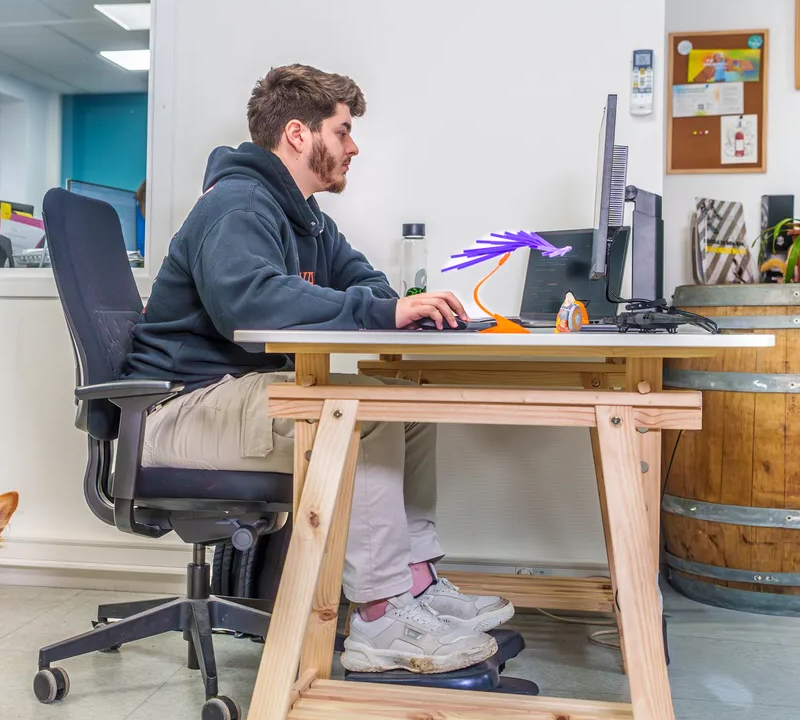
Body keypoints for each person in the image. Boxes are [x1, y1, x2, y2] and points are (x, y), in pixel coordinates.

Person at [124, 64, 514, 674]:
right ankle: (381, 620)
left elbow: (365, 280)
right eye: (344, 130)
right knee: (357, 413)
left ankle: (414, 583)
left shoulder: (306, 219)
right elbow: (247, 303)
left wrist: (390, 305)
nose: (353, 146)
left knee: (404, 408)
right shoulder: (235, 205)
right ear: (300, 134)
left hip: (231, 401)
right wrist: (379, 309)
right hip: (176, 409)